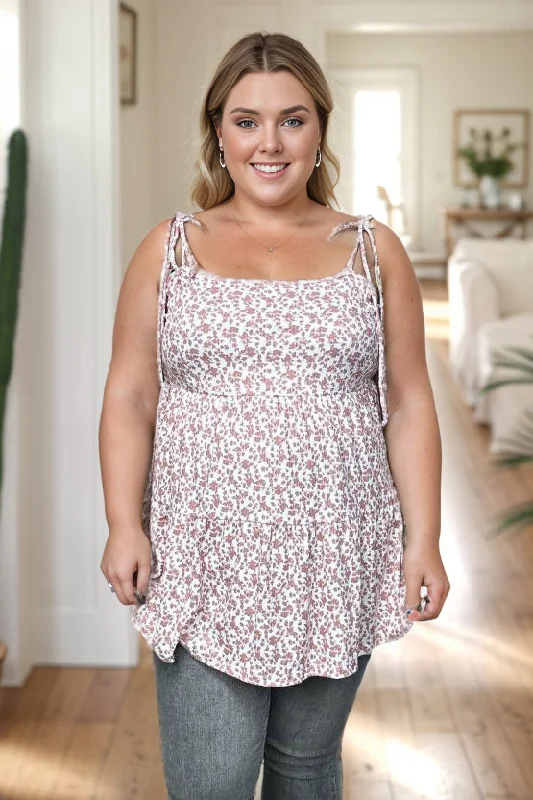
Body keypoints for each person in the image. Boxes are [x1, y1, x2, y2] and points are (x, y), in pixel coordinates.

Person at [99, 31, 449, 800]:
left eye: (291, 119)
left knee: (304, 767)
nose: (270, 143)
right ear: (217, 133)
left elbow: (410, 402)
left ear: (319, 129)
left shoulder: (370, 249)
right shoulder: (170, 248)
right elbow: (128, 394)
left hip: (335, 550)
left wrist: (422, 540)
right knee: (212, 781)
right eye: (246, 120)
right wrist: (124, 522)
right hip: (204, 553)